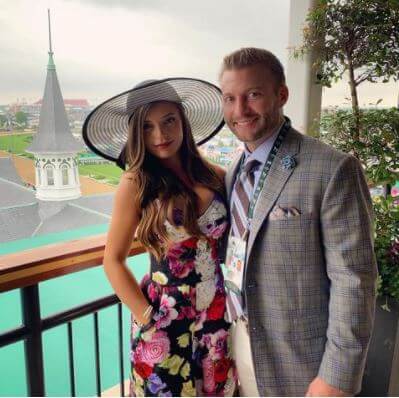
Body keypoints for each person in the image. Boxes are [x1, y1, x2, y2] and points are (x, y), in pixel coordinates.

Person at [219, 47, 377, 396]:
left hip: (304, 364)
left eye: (253, 95)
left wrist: (336, 378)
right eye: (230, 98)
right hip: (239, 344)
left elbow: (354, 280)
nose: (239, 110)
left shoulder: (332, 168)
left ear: (282, 95)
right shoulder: (233, 171)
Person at [82, 78, 237, 397]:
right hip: (164, 321)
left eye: (169, 121)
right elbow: (112, 260)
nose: (160, 135)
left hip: (217, 313)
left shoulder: (216, 175)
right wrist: (147, 318)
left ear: (183, 120)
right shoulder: (135, 183)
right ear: (136, 134)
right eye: (147, 127)